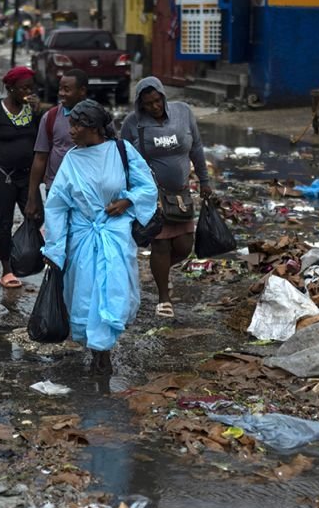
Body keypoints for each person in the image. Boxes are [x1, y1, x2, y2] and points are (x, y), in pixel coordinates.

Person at [42, 99, 158, 374]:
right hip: (82, 239)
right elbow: (57, 205)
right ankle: (96, 349)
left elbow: (147, 186)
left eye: (77, 125)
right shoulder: (71, 159)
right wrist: (55, 249)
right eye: (70, 124)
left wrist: (127, 202)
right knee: (85, 294)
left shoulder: (121, 151)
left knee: (113, 291)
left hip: (114, 235)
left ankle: (104, 349)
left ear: (93, 128)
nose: (71, 130)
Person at [119, 76, 212, 318]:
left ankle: (161, 271)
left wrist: (205, 181)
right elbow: (123, 158)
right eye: (148, 103)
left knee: (184, 245)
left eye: (158, 101)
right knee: (160, 244)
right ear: (141, 104)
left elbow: (197, 148)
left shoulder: (183, 113)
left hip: (181, 194)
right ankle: (164, 298)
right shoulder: (133, 123)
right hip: (152, 196)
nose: (155, 107)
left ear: (163, 96)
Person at [0, 66, 43, 289]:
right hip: (0, 176)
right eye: (23, 88)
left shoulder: (33, 112)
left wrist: (38, 111)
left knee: (36, 216)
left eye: (31, 88)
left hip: (27, 176)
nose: (28, 92)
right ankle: (7, 269)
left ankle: (12, 249)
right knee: (4, 222)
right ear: (10, 88)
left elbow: (41, 143)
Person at [26, 69, 89, 221]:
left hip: (88, 190)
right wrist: (32, 196)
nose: (61, 93)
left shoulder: (98, 119)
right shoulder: (50, 117)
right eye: (60, 88)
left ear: (82, 91)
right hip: (56, 189)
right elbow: (40, 157)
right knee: (57, 237)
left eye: (67, 90)